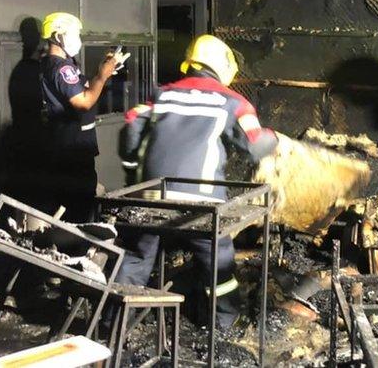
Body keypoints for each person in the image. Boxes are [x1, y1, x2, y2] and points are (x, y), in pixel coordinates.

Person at [116, 34, 279, 329]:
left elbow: (130, 125)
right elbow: (256, 144)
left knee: (135, 258)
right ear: (224, 68)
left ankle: (113, 326)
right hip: (200, 204)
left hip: (150, 198)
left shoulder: (161, 95)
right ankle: (225, 325)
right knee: (218, 263)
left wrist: (133, 173)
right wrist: (275, 139)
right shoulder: (233, 103)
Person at [36, 12, 128, 223]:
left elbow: (84, 85)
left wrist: (104, 71)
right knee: (80, 208)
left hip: (69, 148)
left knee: (78, 202)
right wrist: (102, 76)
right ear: (58, 36)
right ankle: (77, 248)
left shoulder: (58, 64)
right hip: (72, 152)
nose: (77, 39)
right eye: (73, 34)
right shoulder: (61, 67)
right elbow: (84, 100)